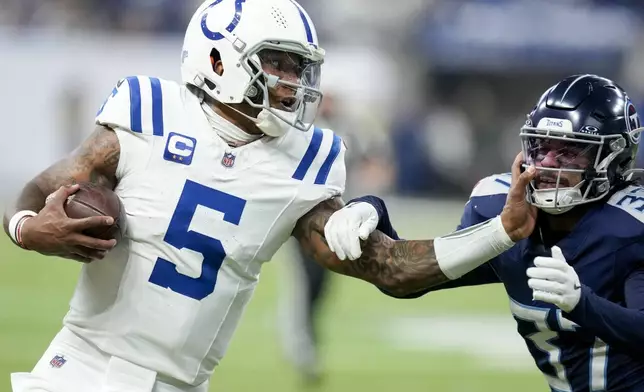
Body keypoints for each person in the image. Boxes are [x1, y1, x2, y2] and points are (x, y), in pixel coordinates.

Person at [3, 2, 535, 391]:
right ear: (218, 62)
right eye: (278, 63)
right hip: (77, 370)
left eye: (300, 67)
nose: (294, 82)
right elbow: (37, 192)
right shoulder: (148, 113)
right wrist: (27, 227)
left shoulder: (308, 158)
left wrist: (500, 231)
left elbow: (390, 269)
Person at [325, 74, 644, 392]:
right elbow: (407, 277)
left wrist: (582, 304)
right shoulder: (498, 207)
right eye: (541, 146)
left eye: (568, 151)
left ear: (614, 158)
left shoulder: (631, 226)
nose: (547, 163)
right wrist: (372, 209)